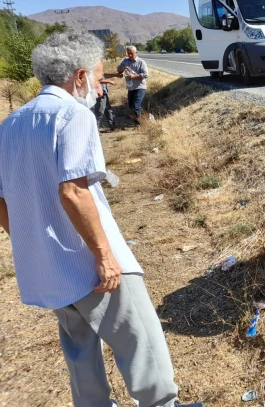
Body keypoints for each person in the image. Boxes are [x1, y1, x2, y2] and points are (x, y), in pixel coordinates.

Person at [0, 32, 203, 407]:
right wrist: (104, 255)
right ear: (78, 77)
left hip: (48, 266)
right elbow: (73, 192)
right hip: (90, 262)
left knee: (80, 353)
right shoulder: (72, 114)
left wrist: (31, 241)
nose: (99, 85)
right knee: (141, 342)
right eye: (95, 76)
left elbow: (2, 200)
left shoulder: (10, 125)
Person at [117, 45, 148, 124]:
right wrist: (124, 68)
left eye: (132, 53)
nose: (130, 55)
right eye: (128, 53)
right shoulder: (125, 61)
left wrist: (134, 76)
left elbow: (145, 75)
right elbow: (118, 70)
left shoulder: (141, 62)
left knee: (136, 106)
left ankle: (139, 123)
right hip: (130, 87)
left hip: (140, 87)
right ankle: (145, 116)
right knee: (131, 106)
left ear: (136, 53)